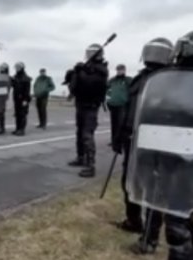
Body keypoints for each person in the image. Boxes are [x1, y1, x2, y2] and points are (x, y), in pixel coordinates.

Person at [114, 38, 174, 254]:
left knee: (153, 189)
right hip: (133, 137)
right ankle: (133, 220)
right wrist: (120, 134)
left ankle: (150, 238)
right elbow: (129, 108)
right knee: (129, 182)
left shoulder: (170, 78)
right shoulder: (139, 78)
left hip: (155, 140)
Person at [68, 43, 108, 178]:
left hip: (91, 106)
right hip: (81, 104)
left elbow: (90, 83)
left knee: (87, 134)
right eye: (88, 52)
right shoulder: (87, 67)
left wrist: (80, 72)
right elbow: (75, 85)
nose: (89, 55)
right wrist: (73, 74)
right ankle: (80, 157)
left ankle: (91, 166)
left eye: (92, 52)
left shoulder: (101, 70)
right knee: (79, 132)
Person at [106, 64, 132, 146]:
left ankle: (121, 141)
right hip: (113, 105)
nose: (120, 71)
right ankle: (114, 141)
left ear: (125, 70)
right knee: (114, 124)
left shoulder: (128, 80)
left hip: (123, 105)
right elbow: (107, 90)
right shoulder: (112, 80)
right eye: (118, 70)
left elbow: (133, 90)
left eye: (121, 69)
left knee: (121, 124)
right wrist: (108, 100)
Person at [11, 62, 32, 136]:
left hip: (23, 99)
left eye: (18, 67)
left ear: (22, 68)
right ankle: (17, 129)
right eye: (16, 67)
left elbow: (27, 90)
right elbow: (12, 85)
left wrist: (25, 100)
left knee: (22, 114)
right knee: (17, 114)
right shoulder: (15, 77)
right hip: (16, 99)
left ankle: (22, 130)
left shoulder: (26, 78)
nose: (17, 68)